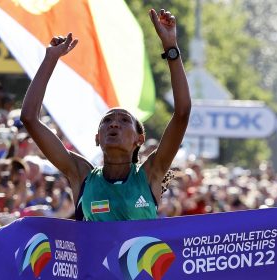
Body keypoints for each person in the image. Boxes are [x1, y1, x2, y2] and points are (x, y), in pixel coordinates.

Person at [21, 9, 191, 221]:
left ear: (140, 139)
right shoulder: (81, 175)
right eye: (107, 121)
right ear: (97, 138)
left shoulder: (150, 173)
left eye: (124, 120)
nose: (114, 124)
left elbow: (182, 113)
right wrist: (50, 59)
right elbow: (29, 118)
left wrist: (171, 47)